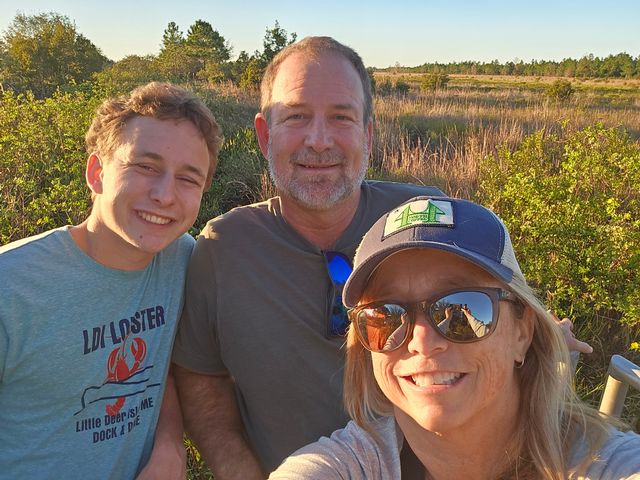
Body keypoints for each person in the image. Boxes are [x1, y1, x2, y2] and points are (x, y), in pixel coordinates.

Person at [172, 36, 592, 478]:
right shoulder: (223, 248)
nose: (318, 141)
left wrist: (535, 339)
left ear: (368, 135)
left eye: (341, 117)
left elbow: (510, 325)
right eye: (296, 116)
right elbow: (202, 374)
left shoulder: (427, 223)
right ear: (264, 133)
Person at [269, 196, 640, 480]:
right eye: (386, 316)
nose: (422, 341)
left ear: (522, 331)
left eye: (462, 309)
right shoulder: (351, 466)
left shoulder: (603, 463)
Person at [0, 82, 223, 479]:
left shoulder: (182, 258)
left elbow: (165, 366)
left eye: (189, 179)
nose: (165, 195)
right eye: (145, 166)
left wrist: (170, 446)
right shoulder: (12, 287)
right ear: (97, 172)